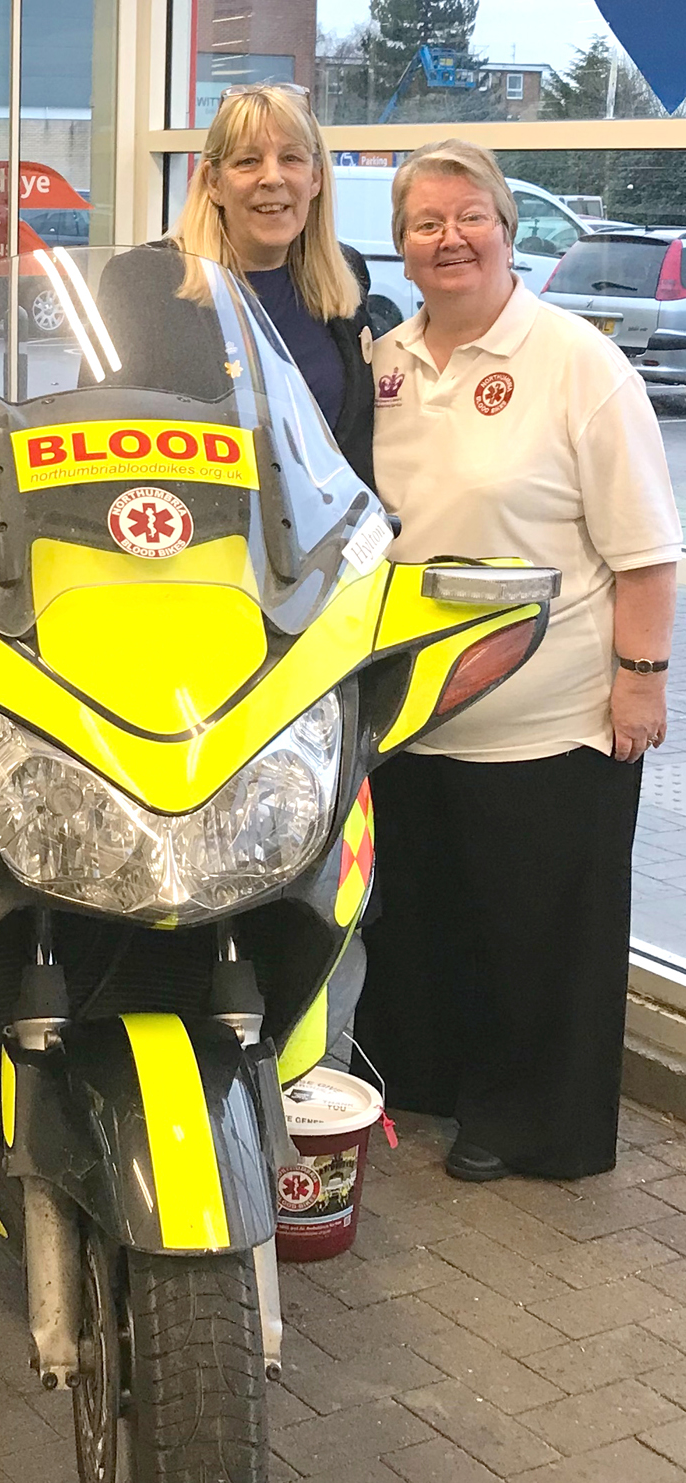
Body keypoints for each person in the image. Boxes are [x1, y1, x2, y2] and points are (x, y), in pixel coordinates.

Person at [351, 140, 681, 1182]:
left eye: (470, 217)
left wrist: (641, 680)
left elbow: (648, 551)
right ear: (400, 249)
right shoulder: (386, 364)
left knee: (539, 937)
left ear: (508, 228)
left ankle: (529, 1122)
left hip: (550, 719)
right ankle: (440, 1088)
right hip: (416, 714)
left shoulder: (579, 363)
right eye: (424, 224)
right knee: (442, 922)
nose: (449, 239)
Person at [101, 83, 375, 487]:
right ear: (213, 181)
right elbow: (99, 437)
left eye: (292, 158)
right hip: (192, 540)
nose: (272, 177)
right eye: (248, 161)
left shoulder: (346, 274)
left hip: (326, 543)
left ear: (316, 178)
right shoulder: (141, 282)